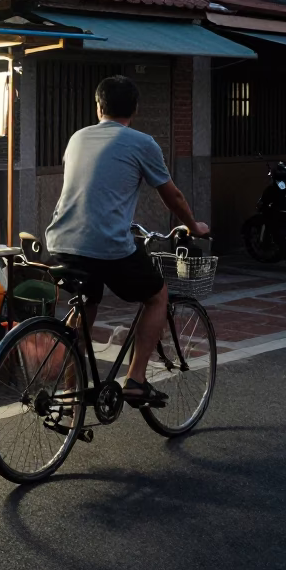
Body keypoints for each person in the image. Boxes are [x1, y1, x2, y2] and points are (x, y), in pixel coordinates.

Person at [45, 75, 209, 406]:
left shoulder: (78, 138)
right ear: (134, 108)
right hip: (106, 245)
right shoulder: (141, 143)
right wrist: (193, 225)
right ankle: (135, 380)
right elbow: (172, 195)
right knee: (157, 296)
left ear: (98, 106)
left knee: (87, 304)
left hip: (61, 241)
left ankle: (70, 391)